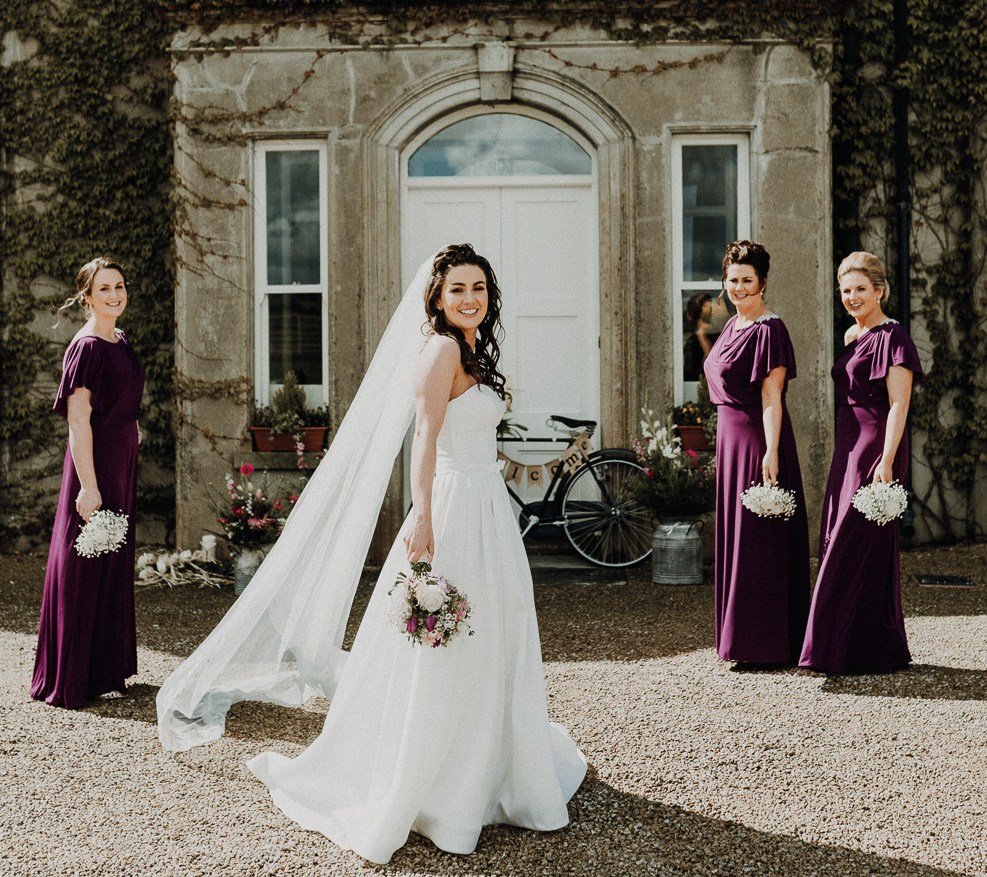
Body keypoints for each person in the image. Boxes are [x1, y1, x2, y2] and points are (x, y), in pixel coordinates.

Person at [158, 244, 585, 864]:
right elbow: (425, 440)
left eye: (479, 288)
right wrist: (424, 518)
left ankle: (489, 760)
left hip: (487, 505)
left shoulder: (472, 352)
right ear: (437, 298)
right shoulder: (439, 350)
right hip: (454, 507)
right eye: (458, 289)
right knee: (445, 642)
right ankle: (437, 779)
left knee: (497, 630)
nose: (470, 298)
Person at [798, 251, 921, 675]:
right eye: (846, 290)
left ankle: (834, 648)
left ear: (880, 290)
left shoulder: (894, 337)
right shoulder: (854, 335)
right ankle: (863, 648)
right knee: (838, 540)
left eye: (860, 289)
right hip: (847, 447)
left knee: (853, 544)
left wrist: (887, 460)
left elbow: (899, 404)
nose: (852, 297)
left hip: (876, 447)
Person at [31, 257, 144, 708]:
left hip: (121, 460)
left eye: (119, 286)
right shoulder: (86, 348)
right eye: (104, 289)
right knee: (84, 560)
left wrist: (131, 431)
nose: (115, 295)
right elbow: (78, 423)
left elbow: (120, 400)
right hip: (94, 465)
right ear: (87, 296)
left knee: (111, 562)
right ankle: (72, 676)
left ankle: (105, 670)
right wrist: (89, 486)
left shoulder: (119, 338)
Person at [703, 240, 810, 669]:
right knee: (737, 540)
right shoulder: (732, 326)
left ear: (763, 282)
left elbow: (771, 396)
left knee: (759, 541)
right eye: (733, 280)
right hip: (730, 442)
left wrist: (771, 449)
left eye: (747, 280)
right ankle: (739, 639)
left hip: (755, 441)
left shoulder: (770, 330)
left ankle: (767, 644)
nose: (739, 287)